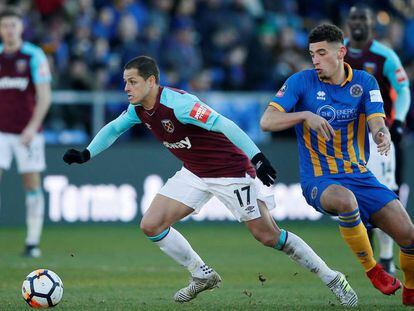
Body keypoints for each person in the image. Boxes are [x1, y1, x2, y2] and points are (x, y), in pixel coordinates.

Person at [63, 55, 358, 306]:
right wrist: (87, 153)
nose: (126, 87)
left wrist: (256, 157)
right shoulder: (138, 109)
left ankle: (333, 278)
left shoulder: (180, 104)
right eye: (125, 82)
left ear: (151, 81)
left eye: (132, 82)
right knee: (151, 224)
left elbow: (224, 123)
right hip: (195, 172)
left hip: (231, 172)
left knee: (268, 236)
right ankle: (201, 273)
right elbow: (114, 129)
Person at [260, 23, 414, 306]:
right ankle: (373, 270)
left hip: (360, 175)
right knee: (346, 200)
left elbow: (377, 120)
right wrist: (304, 115)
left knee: (409, 235)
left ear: (341, 52)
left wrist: (381, 134)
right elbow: (267, 121)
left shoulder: (366, 83)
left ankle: (411, 291)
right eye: (311, 54)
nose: (315, 60)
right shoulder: (300, 82)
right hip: (320, 179)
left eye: (321, 53)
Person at [345, 4, 411, 275]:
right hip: (347, 137)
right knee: (353, 196)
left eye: (363, 18)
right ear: (348, 23)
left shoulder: (384, 56)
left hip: (377, 135)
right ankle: (372, 257)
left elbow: (403, 89)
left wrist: (398, 122)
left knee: (383, 194)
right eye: (354, 18)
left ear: (372, 23)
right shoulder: (339, 53)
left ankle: (385, 256)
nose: (358, 22)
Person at [0, 8, 52, 258]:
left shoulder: (33, 55)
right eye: (5, 25)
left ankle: (32, 241)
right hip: (1, 131)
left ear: (20, 28)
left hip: (27, 132)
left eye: (13, 25)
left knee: (31, 183)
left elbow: (44, 96)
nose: (9, 30)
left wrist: (32, 127)